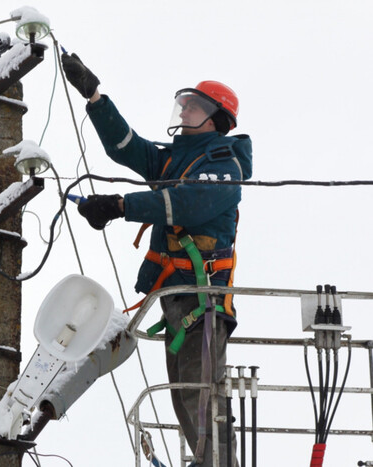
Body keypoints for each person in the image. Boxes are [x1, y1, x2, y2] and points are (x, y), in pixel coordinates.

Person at [62, 52, 253, 466]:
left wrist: (119, 204)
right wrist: (95, 96)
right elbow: (126, 148)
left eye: (193, 107)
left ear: (216, 119)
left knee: (201, 396)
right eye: (183, 105)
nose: (183, 111)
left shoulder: (224, 163)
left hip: (203, 302)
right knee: (183, 398)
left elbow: (185, 204)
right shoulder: (175, 159)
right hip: (176, 302)